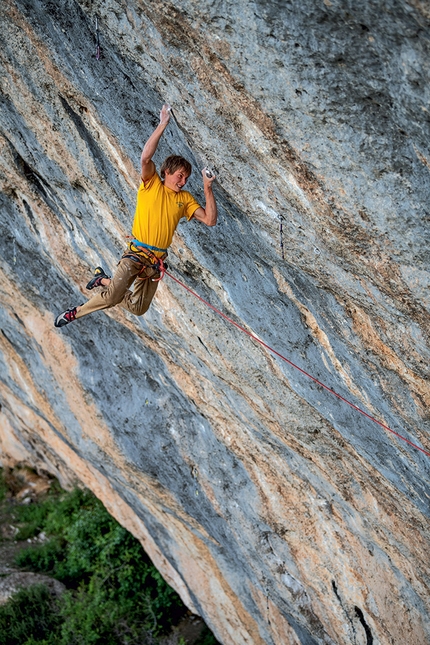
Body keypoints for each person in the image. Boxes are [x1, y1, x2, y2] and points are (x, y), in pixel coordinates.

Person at [54, 104, 217, 328]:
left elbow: (210, 220)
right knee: (111, 298)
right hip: (135, 256)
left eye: (187, 178)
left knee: (139, 308)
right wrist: (162, 124)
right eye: (180, 176)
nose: (183, 182)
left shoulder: (185, 199)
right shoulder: (151, 185)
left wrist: (208, 187)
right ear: (167, 172)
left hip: (155, 263)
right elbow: (145, 158)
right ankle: (75, 313)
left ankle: (102, 280)